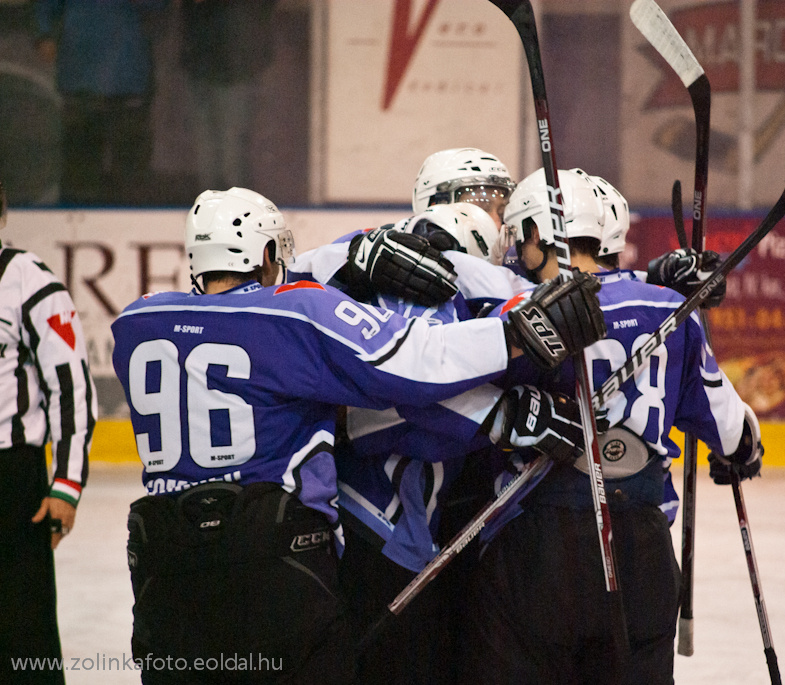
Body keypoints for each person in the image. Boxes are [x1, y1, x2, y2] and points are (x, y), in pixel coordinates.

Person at [110, 187, 604, 684]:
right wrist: (517, 334)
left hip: (162, 564)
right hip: (271, 561)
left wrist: (355, 254)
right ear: (264, 254)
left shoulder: (137, 322)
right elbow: (411, 359)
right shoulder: (294, 313)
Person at [456, 168, 762, 685]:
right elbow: (738, 436)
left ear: (535, 233)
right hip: (642, 546)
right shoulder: (673, 310)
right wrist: (734, 457)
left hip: (540, 544)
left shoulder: (521, 314)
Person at [0, 177, 97, 684]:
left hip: (10, 482)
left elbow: (72, 387)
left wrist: (67, 484)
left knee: (22, 638)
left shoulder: (27, 280)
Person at [34, 0, 168, 206]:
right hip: (80, 76)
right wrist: (44, 34)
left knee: (130, 176)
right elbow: (44, 7)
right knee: (79, 174)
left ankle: (131, 227)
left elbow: (159, 6)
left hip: (128, 76)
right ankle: (76, 230)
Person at [179, 0, 277, 190]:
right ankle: (215, 212)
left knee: (231, 155)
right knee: (208, 153)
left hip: (232, 66)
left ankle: (237, 213)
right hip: (205, 63)